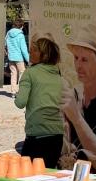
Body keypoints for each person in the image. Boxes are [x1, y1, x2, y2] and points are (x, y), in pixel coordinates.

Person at [63, 24, 96, 173]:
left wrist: (77, 119)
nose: (78, 65)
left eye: (85, 60)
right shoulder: (75, 97)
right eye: (76, 58)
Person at [14, 36, 65, 166]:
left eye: (35, 50)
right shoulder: (57, 73)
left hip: (37, 134)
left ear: (44, 54)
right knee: (48, 176)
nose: (30, 52)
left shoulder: (30, 73)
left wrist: (17, 93)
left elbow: (20, 103)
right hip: (57, 135)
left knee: (28, 177)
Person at [6, 19, 29, 95]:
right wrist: (29, 60)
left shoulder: (8, 34)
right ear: (21, 26)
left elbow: (5, 44)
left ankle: (13, 92)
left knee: (13, 74)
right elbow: (24, 50)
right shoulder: (20, 35)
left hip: (10, 57)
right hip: (19, 58)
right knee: (22, 73)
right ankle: (19, 91)